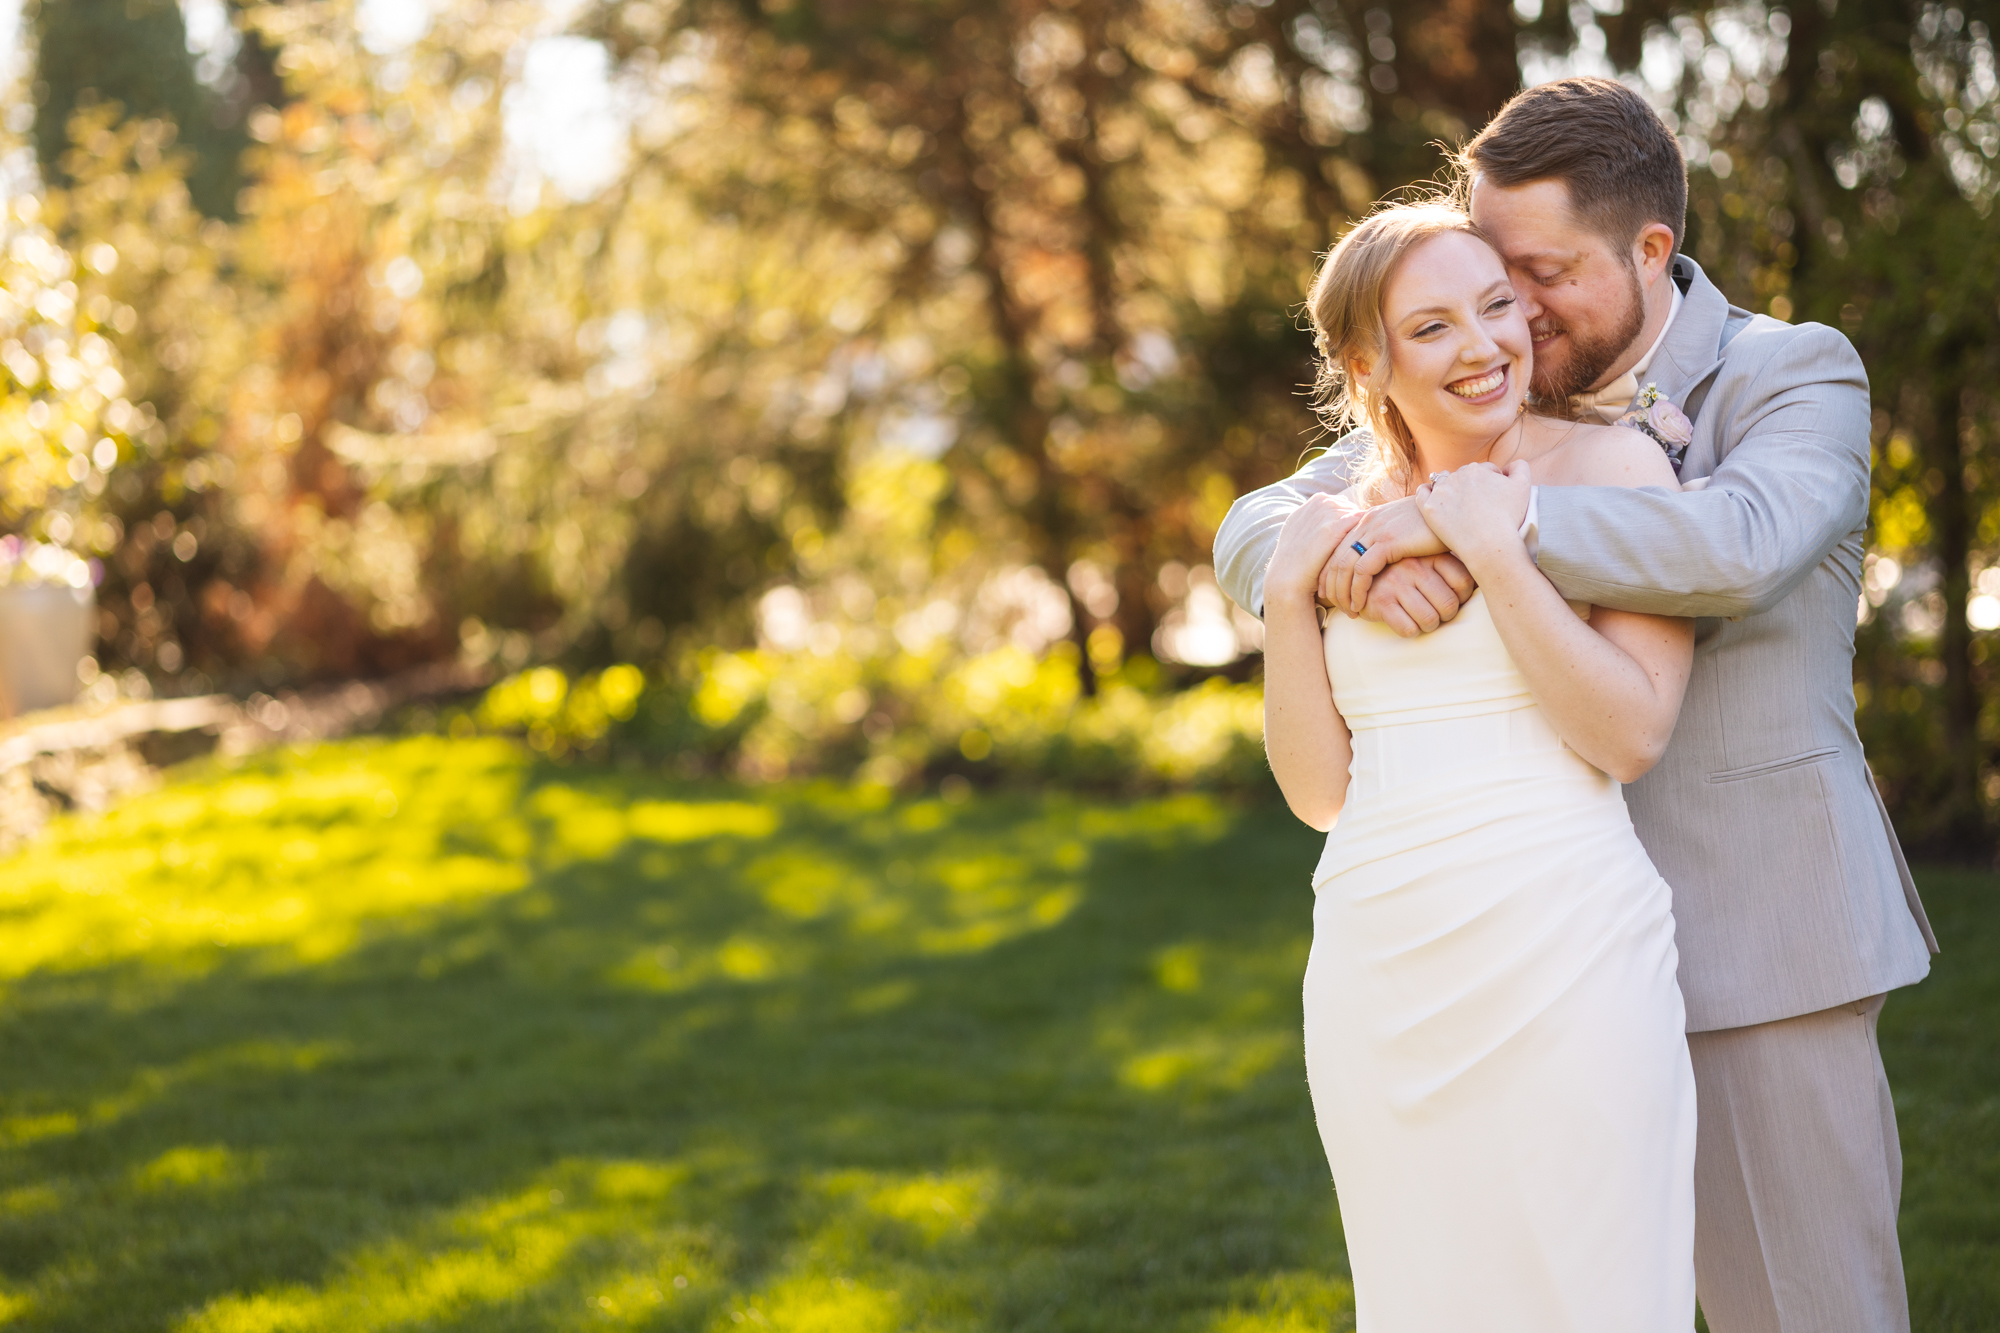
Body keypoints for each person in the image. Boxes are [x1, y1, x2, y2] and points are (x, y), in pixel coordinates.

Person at [1218, 77, 1937, 1333]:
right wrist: (1344, 561)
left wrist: (1487, 525)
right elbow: (1258, 524)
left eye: (1532, 274)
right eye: (1486, 277)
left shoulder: (1788, 371)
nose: (1505, 314)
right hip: (1481, 936)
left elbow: (1738, 545)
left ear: (1647, 248)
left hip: (1751, 931)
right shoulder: (1494, 385)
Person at [1265, 197, 1697, 1331]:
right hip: (1380, 960)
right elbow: (1317, 793)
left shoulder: (1613, 468)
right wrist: (1283, 592)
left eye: (1496, 306)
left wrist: (1496, 552)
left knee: (1595, 1283)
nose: (1484, 345)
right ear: (1367, 363)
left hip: (1568, 951)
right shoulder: (1332, 525)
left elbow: (1630, 735)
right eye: (1433, 327)